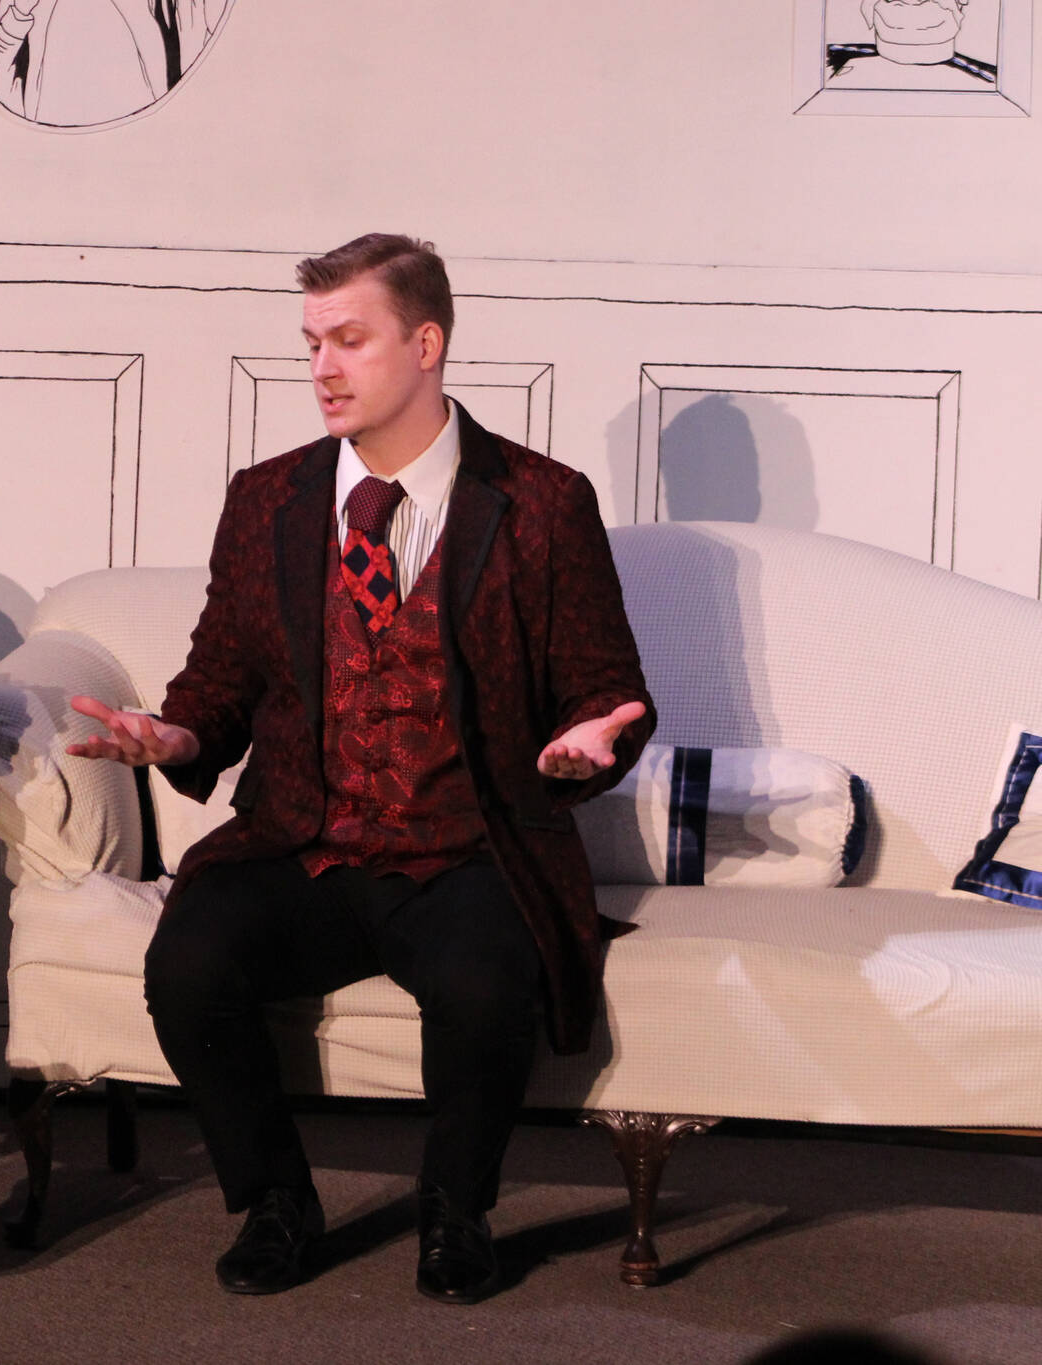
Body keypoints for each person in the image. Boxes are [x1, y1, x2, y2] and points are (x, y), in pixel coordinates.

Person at [67, 234, 654, 1304]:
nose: (323, 368)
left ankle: (453, 1211)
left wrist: (583, 746)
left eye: (349, 339)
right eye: (311, 344)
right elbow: (221, 678)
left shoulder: (541, 501)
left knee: (486, 986)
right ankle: (275, 1203)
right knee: (189, 964)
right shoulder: (269, 500)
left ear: (424, 344)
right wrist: (173, 737)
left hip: (467, 846)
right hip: (304, 840)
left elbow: (600, 684)